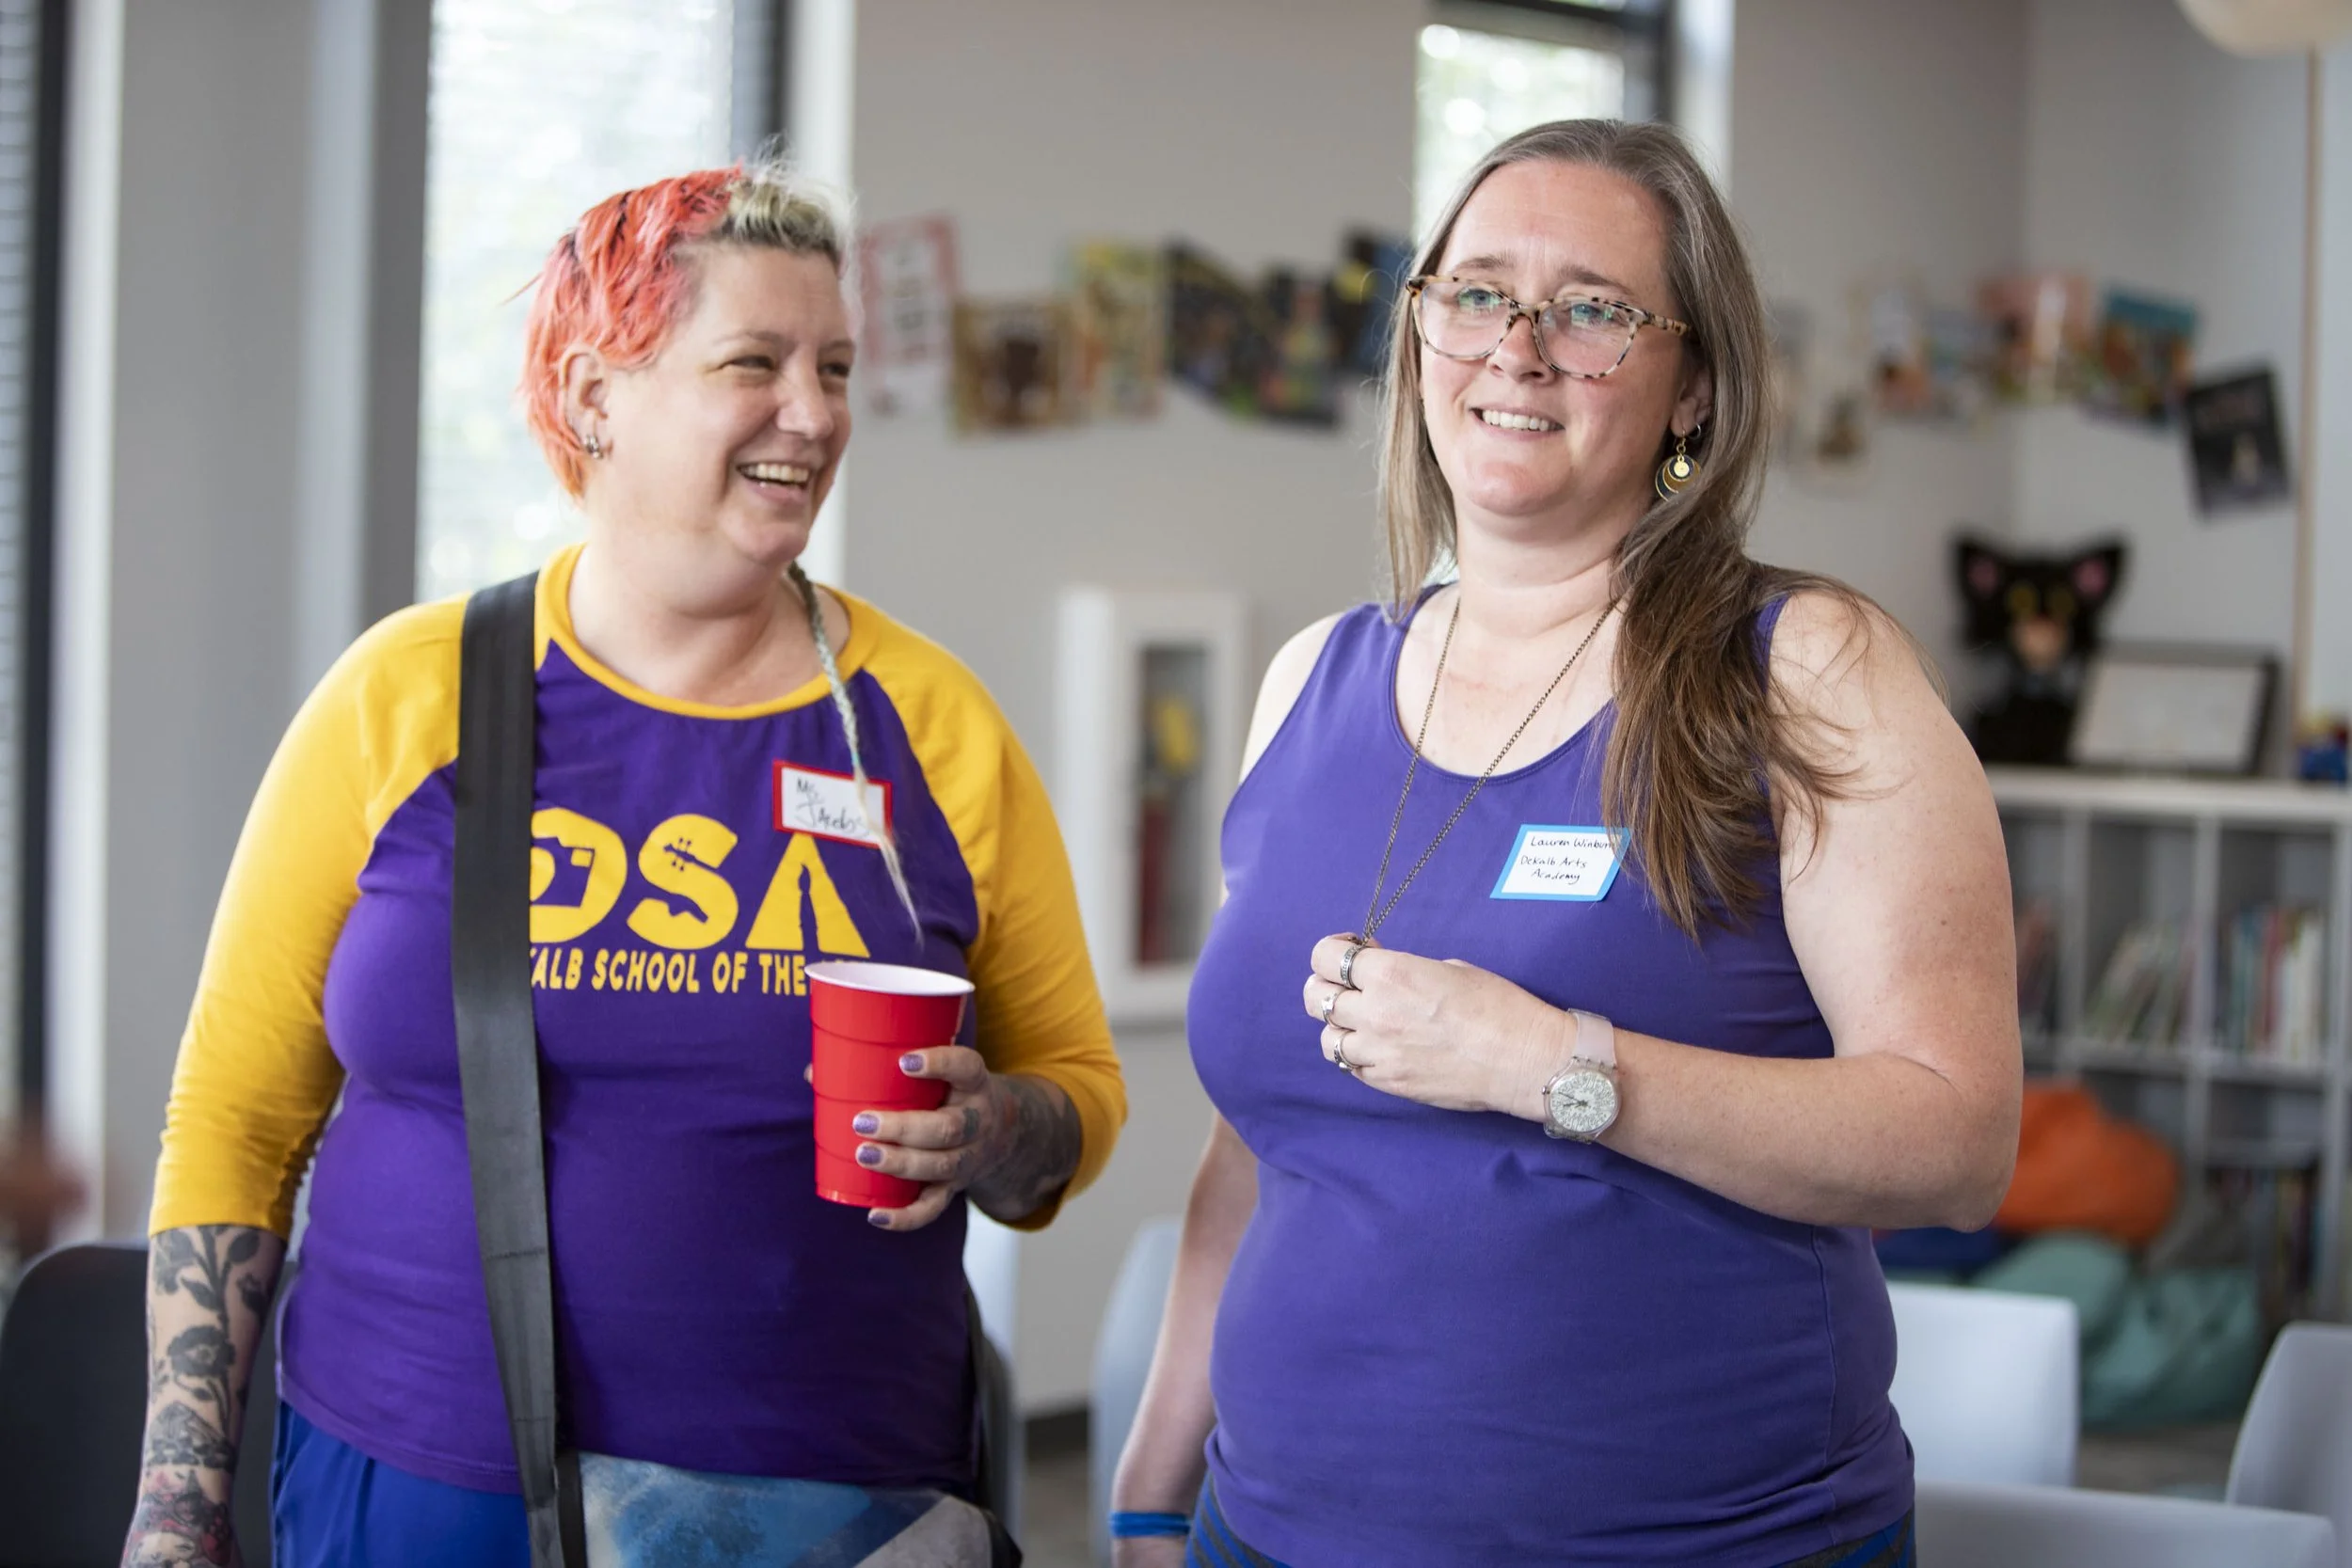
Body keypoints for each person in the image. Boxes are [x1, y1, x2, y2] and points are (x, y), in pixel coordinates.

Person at [123, 160, 1126, 1566]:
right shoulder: (405, 697)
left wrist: (999, 1128)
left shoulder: (933, 723)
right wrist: (177, 1509)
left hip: (830, 1501)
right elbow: (236, 1119)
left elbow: (1076, 1089)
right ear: (595, 396)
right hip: (419, 1483)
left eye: (835, 368)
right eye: (754, 363)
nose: (814, 413)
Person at [1111, 119, 2019, 1567]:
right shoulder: (1312, 677)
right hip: (1266, 1533)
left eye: (1592, 310)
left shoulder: (1806, 668)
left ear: (1693, 385)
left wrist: (1553, 1064)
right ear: (1420, 336)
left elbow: (1956, 1142)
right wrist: (1152, 1491)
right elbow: (1263, 1137)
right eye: (1475, 293)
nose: (1518, 349)